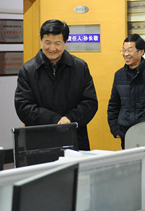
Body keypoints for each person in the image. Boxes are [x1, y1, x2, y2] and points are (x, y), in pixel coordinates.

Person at [14, 19, 98, 150]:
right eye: (47, 42)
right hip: (40, 142)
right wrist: (56, 121)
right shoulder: (28, 70)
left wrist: (70, 119)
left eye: (57, 43)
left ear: (65, 42)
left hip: (74, 139)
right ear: (40, 39)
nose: (52, 48)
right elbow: (23, 107)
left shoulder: (79, 67)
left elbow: (90, 102)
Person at [107, 34, 145, 149]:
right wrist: (115, 129)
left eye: (130, 50)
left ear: (141, 52)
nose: (126, 54)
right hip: (125, 132)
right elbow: (113, 104)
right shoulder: (119, 75)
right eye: (123, 50)